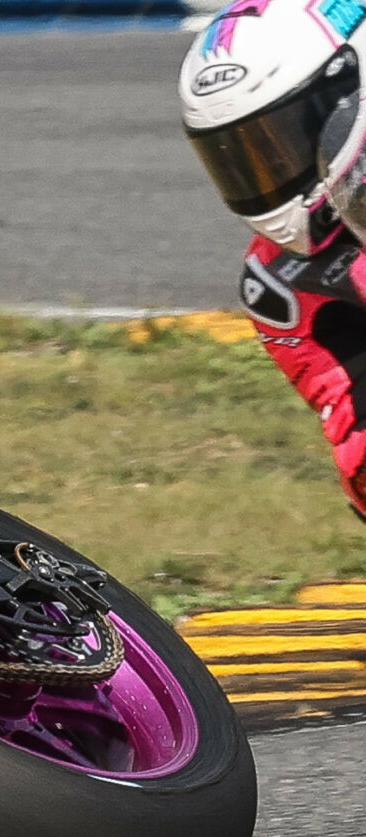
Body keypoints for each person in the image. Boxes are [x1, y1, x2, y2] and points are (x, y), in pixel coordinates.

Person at [182, 1, 366, 518]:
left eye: (282, 141)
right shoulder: (282, 282)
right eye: (241, 153)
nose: (267, 172)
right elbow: (358, 447)